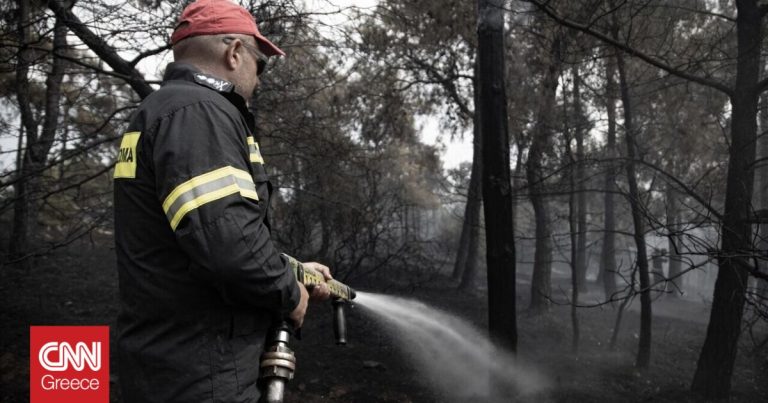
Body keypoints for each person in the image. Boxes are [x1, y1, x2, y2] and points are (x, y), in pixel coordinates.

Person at [113, 0, 331, 401]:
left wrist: (292, 268)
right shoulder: (200, 114)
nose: (259, 79)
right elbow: (227, 246)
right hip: (202, 372)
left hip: (168, 362)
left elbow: (198, 236)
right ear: (234, 53)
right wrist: (289, 290)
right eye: (260, 64)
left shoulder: (162, 110)